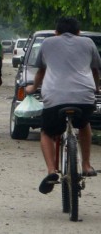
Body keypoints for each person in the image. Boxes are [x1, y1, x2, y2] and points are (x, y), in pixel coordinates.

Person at [25, 17, 100, 194]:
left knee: (47, 132)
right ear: (79, 32)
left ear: (56, 32)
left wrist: (33, 87)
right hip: (84, 97)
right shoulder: (88, 42)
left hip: (55, 97)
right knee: (84, 124)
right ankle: (87, 165)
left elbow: (41, 71)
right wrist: (96, 88)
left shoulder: (47, 43)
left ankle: (52, 171)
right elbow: (96, 70)